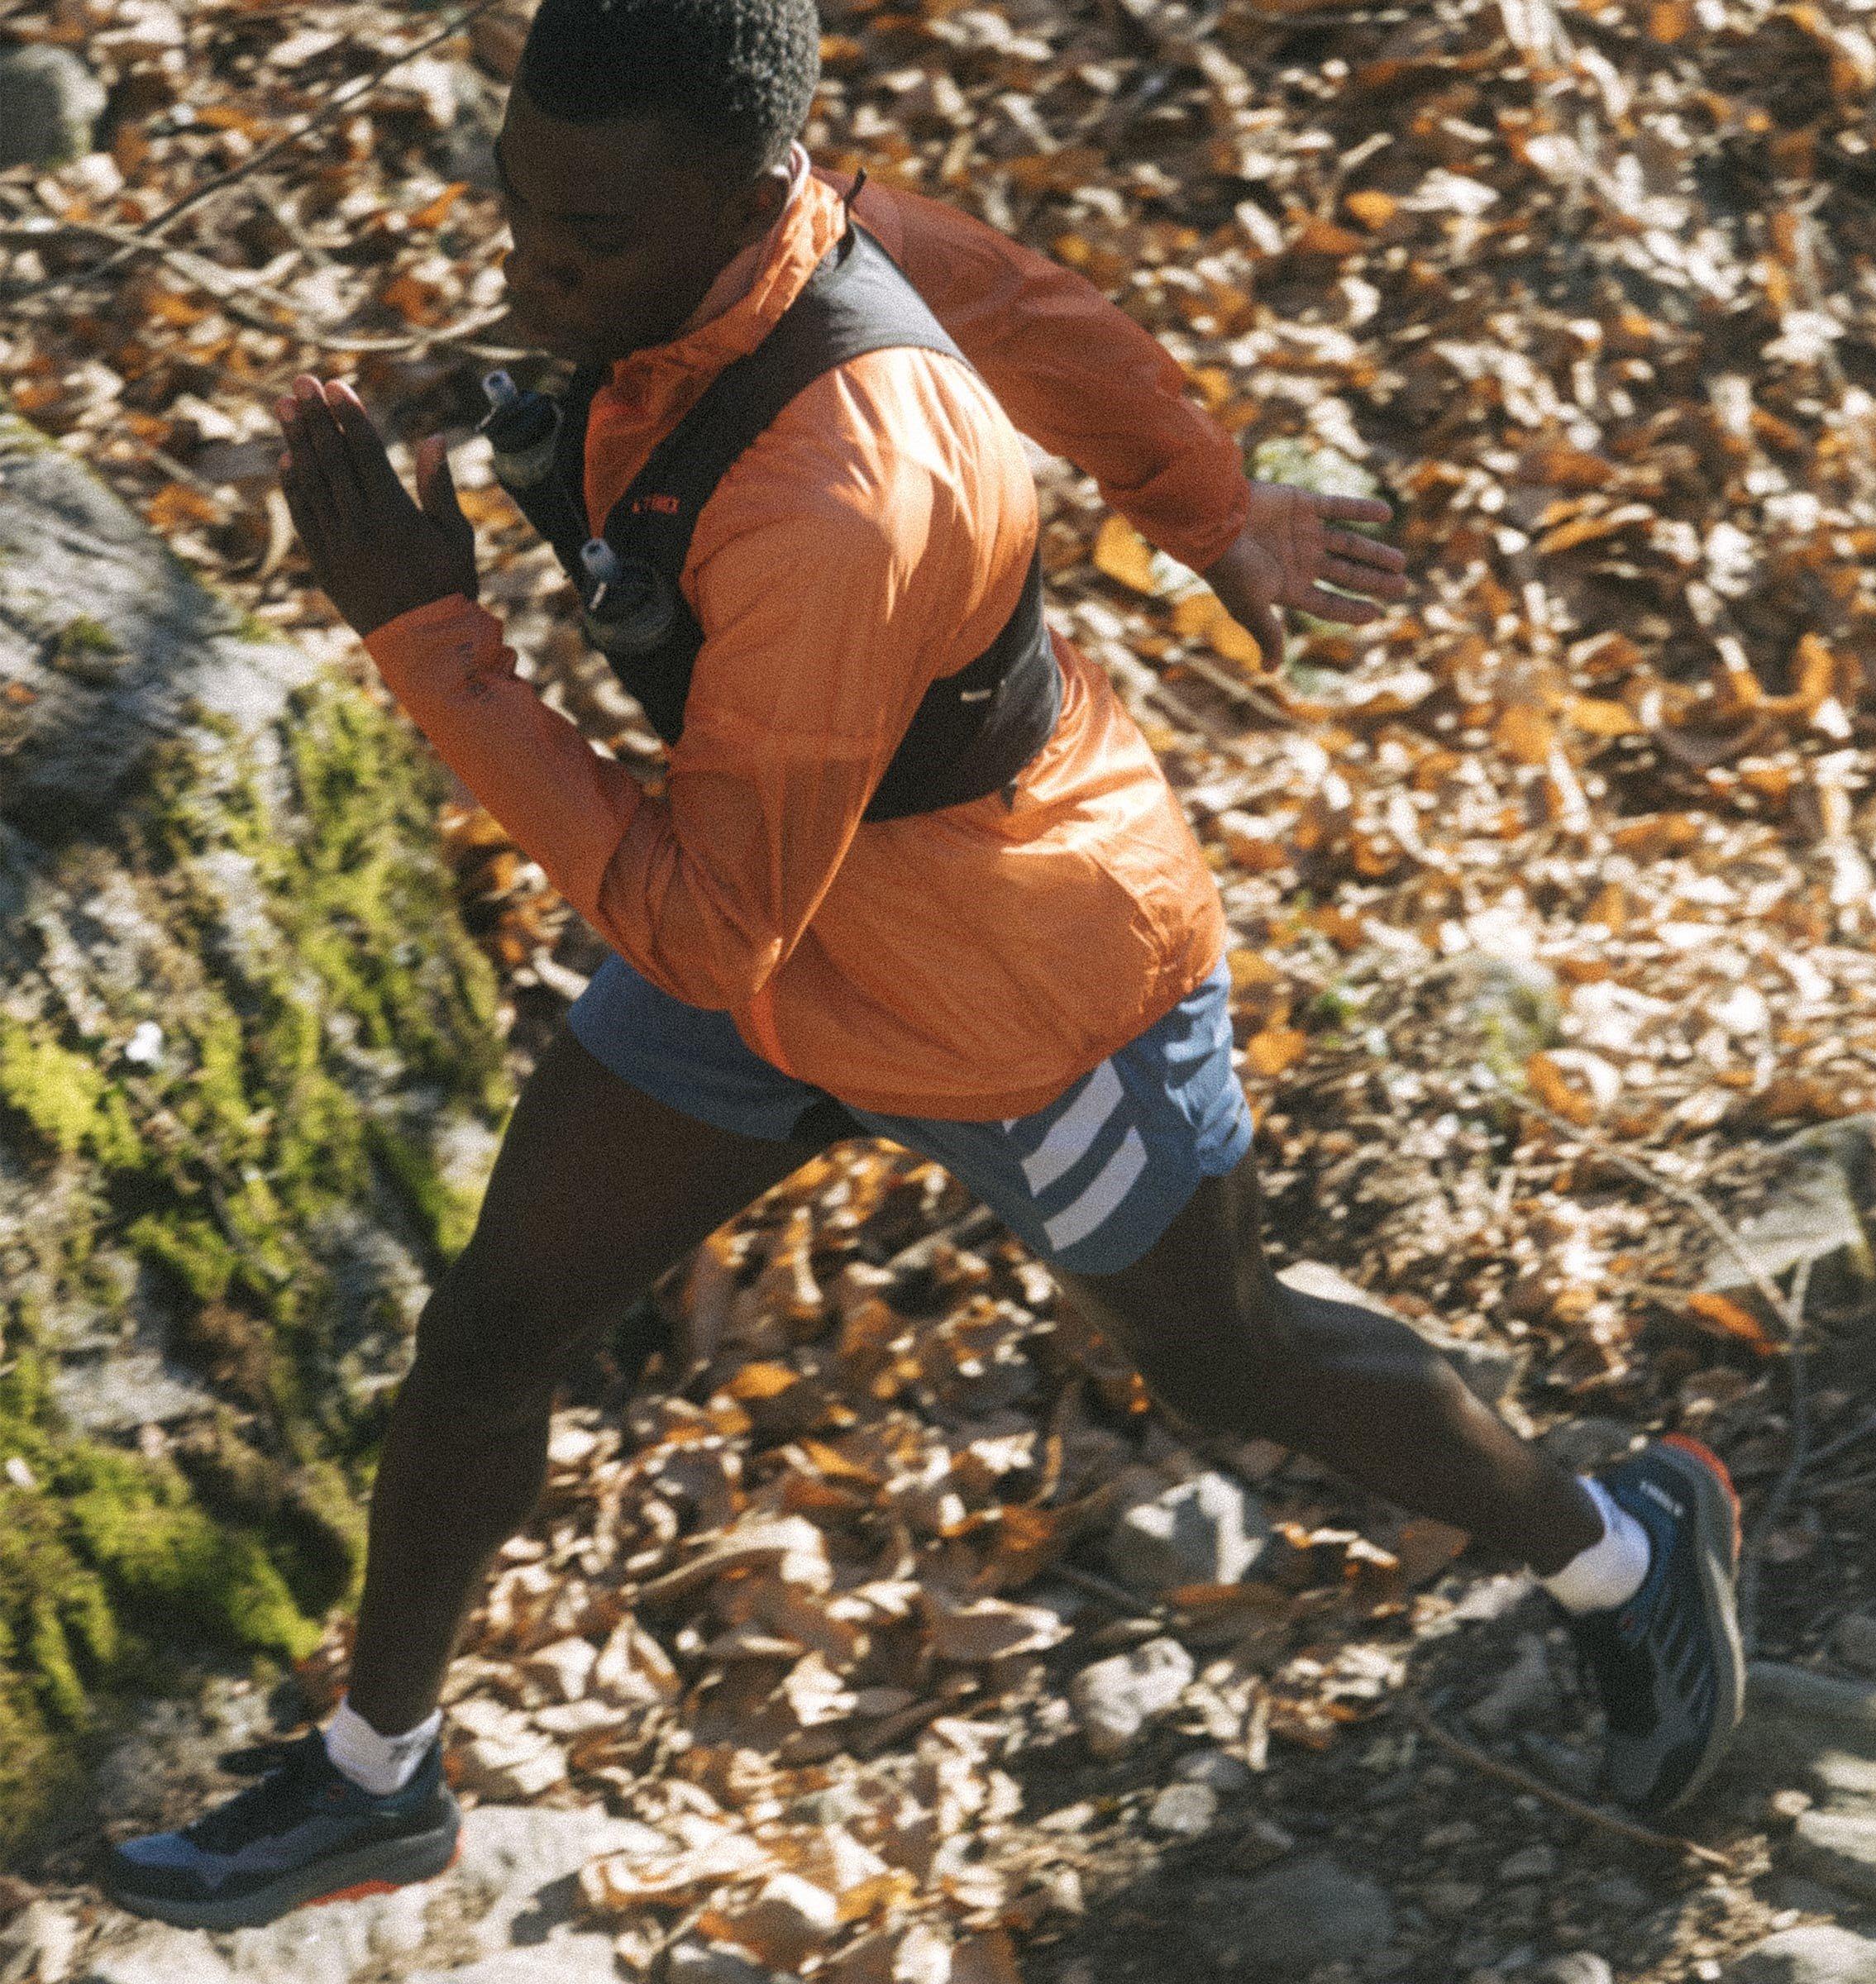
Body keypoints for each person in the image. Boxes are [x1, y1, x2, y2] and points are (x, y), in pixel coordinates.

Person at [103, 0, 1744, 1930]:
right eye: (517, 209)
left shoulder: (845, 498)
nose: (534, 272)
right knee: (495, 1324)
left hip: (1020, 995)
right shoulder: (793, 246)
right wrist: (1215, 514)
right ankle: (380, 1778)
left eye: (592, 240)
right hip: (764, 915)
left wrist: (428, 637)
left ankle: (1622, 1546)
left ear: (750, 199)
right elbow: (1042, 319)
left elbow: (702, 922)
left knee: (1228, 1348)